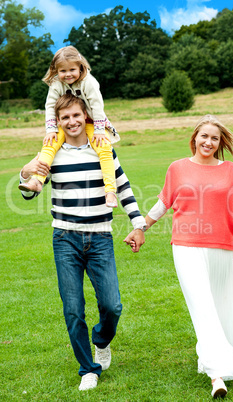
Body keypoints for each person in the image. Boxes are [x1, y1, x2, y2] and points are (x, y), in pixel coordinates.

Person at [125, 114, 233, 398]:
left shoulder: (230, 170)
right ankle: (217, 375)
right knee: (202, 307)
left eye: (214, 138)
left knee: (223, 305)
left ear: (220, 142)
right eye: (204, 136)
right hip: (186, 246)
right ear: (194, 138)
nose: (208, 142)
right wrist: (140, 228)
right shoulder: (177, 168)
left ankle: (220, 357)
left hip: (223, 246)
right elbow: (164, 203)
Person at [19, 94, 146, 391]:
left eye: (76, 116)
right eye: (65, 118)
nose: (72, 122)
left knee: (112, 305)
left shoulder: (103, 149)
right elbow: (29, 193)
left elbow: (124, 188)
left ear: (86, 116)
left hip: (100, 237)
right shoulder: (51, 152)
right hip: (65, 239)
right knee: (73, 308)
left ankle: (101, 340)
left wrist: (138, 223)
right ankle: (88, 368)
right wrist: (27, 171)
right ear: (57, 122)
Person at [19, 45, 119, 208]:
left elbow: (97, 106)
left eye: (72, 69)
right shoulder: (56, 84)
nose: (67, 74)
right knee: (49, 144)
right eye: (62, 71)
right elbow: (50, 106)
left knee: (104, 148)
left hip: (92, 122)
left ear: (80, 67)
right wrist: (51, 130)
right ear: (56, 70)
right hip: (66, 125)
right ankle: (37, 181)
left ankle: (110, 192)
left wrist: (100, 131)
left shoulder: (89, 82)